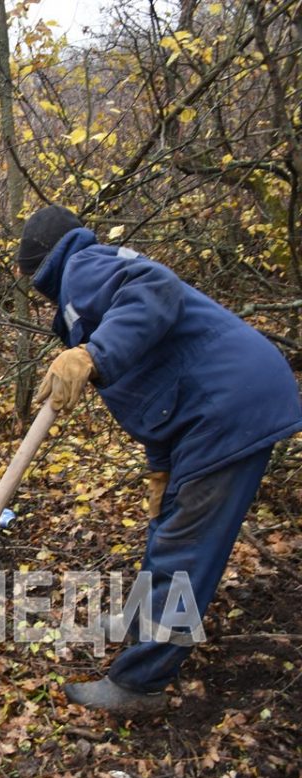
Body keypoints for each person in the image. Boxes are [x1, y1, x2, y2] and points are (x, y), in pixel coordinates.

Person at [17, 205, 302, 715]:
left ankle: (140, 684)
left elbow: (157, 287)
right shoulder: (89, 289)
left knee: (182, 546)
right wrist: (160, 469)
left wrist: (93, 354)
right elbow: (151, 391)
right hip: (213, 407)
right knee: (168, 529)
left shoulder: (84, 269)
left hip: (228, 405)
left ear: (41, 270)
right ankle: (144, 632)